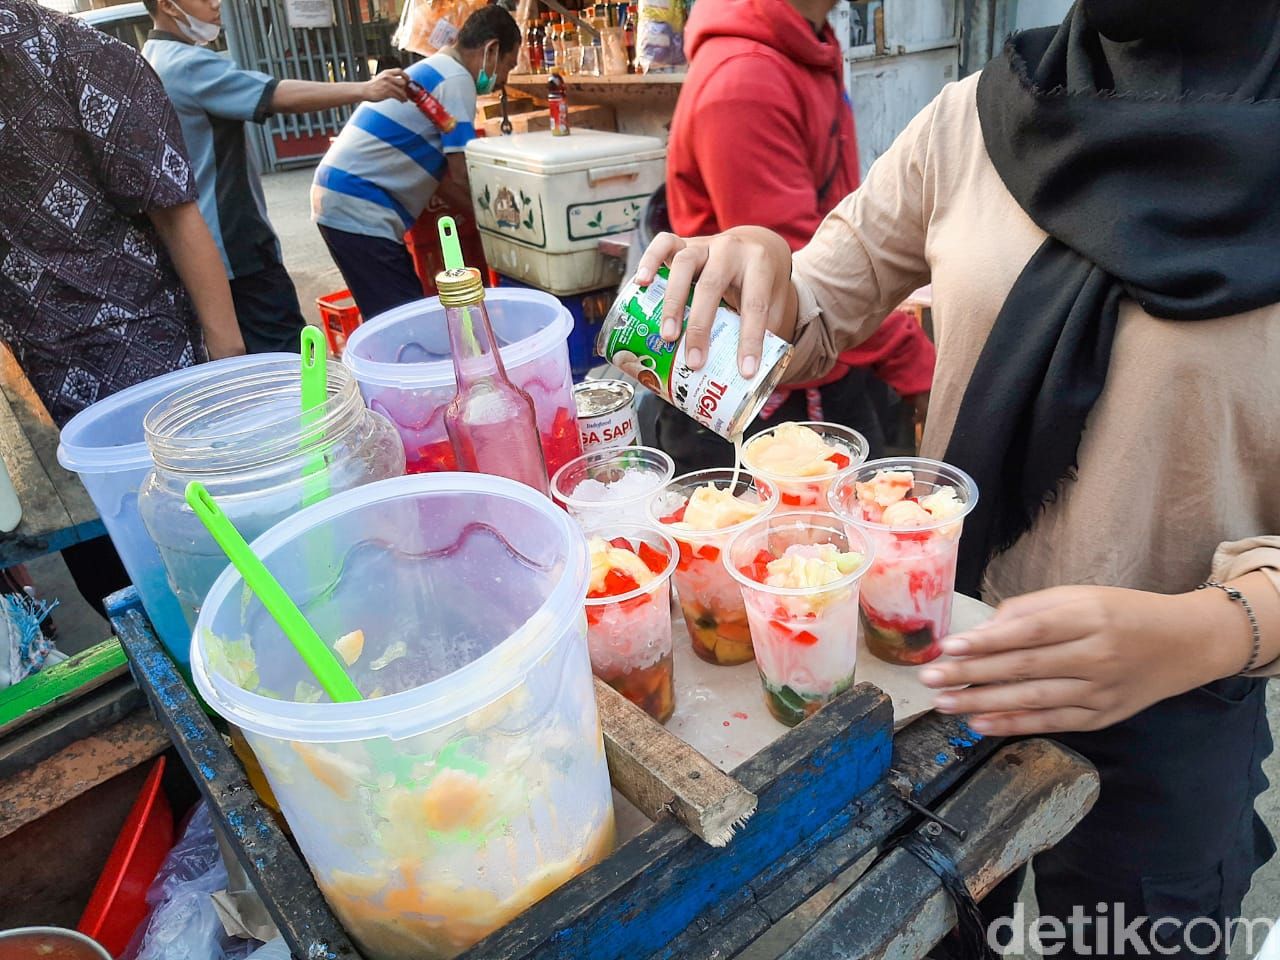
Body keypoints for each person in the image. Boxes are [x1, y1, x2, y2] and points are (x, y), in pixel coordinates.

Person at [637, 0, 1280, 955]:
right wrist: (757, 273)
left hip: (1171, 710)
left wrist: (1207, 630)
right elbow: (824, 300)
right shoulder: (983, 113)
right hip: (938, 657)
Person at [1, 0, 243, 613]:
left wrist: (228, 369)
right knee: (178, 575)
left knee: (150, 577)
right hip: (44, 395)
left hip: (136, 376)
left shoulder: (76, 55)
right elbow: (177, 212)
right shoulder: (86, 53)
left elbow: (175, 211)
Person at [657, 0, 934, 469]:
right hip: (746, 390)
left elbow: (841, 228)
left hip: (825, 365)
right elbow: (805, 277)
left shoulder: (808, 43)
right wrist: (916, 364)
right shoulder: (744, 82)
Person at [142, 0, 410, 352]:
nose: (215, 3)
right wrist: (366, 89)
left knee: (246, 362)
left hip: (197, 245)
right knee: (290, 360)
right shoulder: (187, 65)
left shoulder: (152, 56)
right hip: (236, 244)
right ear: (167, 5)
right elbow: (276, 95)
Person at [311, 5, 522, 320]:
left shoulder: (437, 70)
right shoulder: (456, 79)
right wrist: (508, 228)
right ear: (491, 50)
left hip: (340, 198)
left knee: (394, 312)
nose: (502, 79)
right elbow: (462, 174)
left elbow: (446, 182)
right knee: (404, 321)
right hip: (359, 201)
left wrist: (485, 224)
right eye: (507, 65)